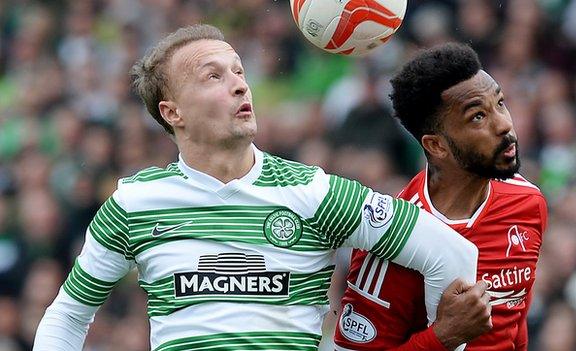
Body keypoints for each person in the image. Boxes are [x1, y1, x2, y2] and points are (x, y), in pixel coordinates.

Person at [32, 25, 490, 351]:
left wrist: (442, 341)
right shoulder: (134, 203)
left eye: (238, 70)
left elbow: (450, 255)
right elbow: (69, 315)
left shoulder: (313, 191)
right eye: (214, 76)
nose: (238, 85)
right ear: (172, 113)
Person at [334, 43, 548, 351]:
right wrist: (444, 336)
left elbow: (514, 328)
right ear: (436, 146)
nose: (504, 124)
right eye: (478, 116)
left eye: (500, 103)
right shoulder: (391, 240)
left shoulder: (527, 203)